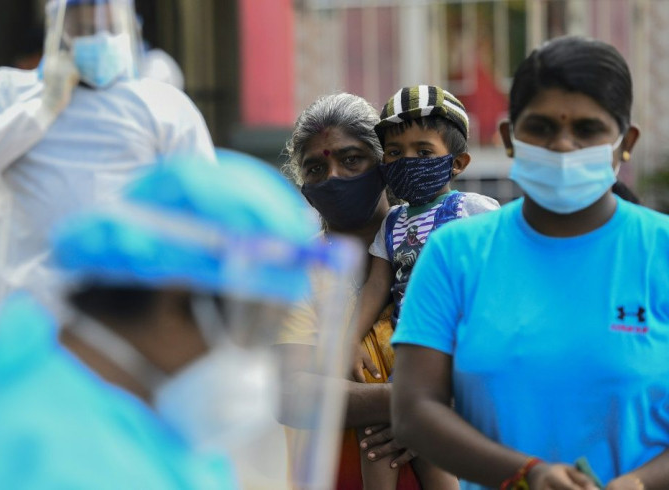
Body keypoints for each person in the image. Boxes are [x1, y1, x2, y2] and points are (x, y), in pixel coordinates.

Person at [0, 150, 348, 488]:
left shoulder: (66, 371)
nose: (259, 362)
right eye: (255, 330)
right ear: (178, 300)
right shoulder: (54, 459)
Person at [390, 35, 669, 490]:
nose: (562, 145)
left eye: (587, 129)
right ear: (509, 138)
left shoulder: (661, 251)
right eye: (540, 127)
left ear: (625, 143)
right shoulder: (454, 254)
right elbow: (414, 410)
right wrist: (527, 474)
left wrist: (637, 483)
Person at [0, 0, 215, 381]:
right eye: (82, 25)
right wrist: (41, 108)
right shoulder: (8, 91)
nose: (96, 36)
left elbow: (205, 213)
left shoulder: (163, 106)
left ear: (129, 29)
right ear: (58, 30)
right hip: (18, 322)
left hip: (121, 325)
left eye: (107, 26)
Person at [280, 92, 459, 490]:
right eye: (315, 167)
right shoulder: (297, 275)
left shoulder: (443, 244)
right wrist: (408, 406)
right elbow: (292, 394)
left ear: (385, 165)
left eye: (351, 159)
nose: (334, 177)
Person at [351, 85, 499, 489]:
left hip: (457, 353)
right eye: (395, 154)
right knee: (376, 433)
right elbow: (377, 286)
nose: (407, 161)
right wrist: (348, 339)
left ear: (458, 162)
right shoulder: (392, 223)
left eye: (423, 152)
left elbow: (494, 286)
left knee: (430, 442)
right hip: (408, 353)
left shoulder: (474, 211)